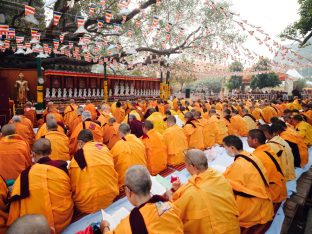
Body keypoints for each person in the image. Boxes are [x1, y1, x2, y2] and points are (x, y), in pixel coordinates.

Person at [7, 139, 74, 233]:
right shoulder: (61, 168)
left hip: (36, 228)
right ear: (51, 151)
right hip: (63, 221)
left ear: (33, 154)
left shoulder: (23, 176)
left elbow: (15, 203)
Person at [167, 149, 240, 233]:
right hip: (234, 229)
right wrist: (181, 189)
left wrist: (170, 195)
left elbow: (173, 213)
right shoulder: (220, 177)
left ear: (191, 166)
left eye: (185, 164)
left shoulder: (191, 192)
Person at [101, 165, 184, 233]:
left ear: (128, 191)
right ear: (150, 185)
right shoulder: (170, 206)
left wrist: (105, 226)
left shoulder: (129, 224)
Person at [223, 135, 274, 228]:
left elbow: (229, 187)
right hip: (263, 198)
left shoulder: (239, 165)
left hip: (253, 204)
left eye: (225, 147)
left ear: (232, 148)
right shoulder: (250, 155)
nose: (225, 150)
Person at [69, 130, 119, 214]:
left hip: (88, 204)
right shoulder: (104, 148)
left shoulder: (77, 157)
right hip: (110, 196)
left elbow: (73, 185)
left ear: (80, 143)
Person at [247, 129, 287, 204]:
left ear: (255, 140)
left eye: (248, 138)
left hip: (273, 192)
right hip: (280, 186)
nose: (247, 140)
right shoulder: (267, 149)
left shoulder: (257, 157)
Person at [110, 123, 147, 188]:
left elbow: (111, 160)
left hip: (127, 182)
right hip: (143, 175)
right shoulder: (139, 141)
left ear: (120, 132)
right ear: (130, 131)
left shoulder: (118, 145)